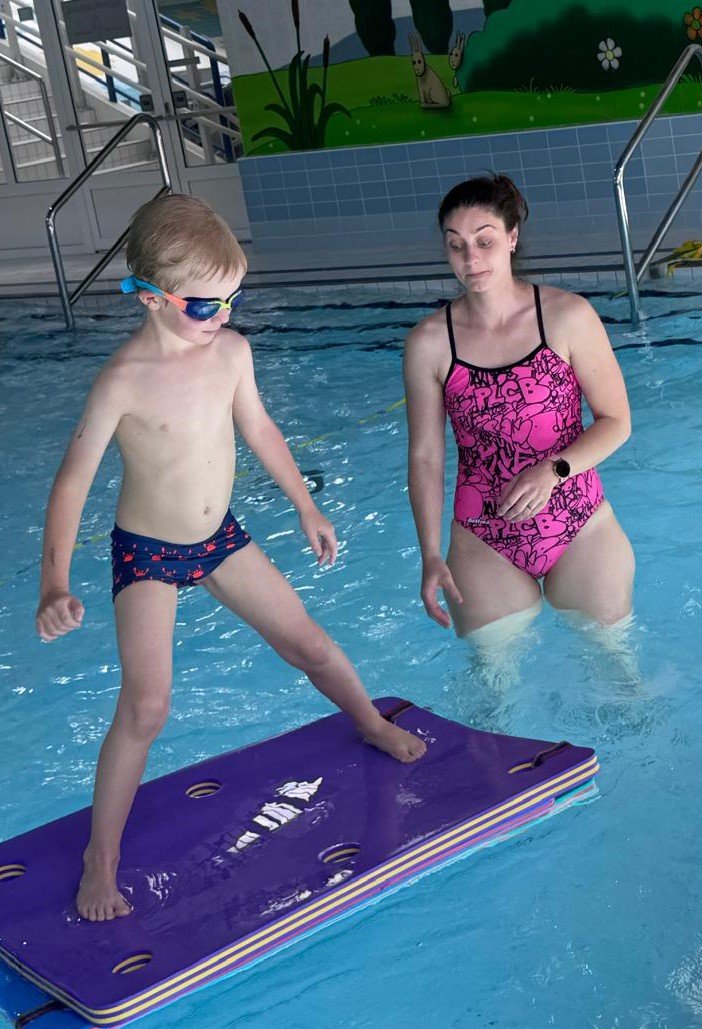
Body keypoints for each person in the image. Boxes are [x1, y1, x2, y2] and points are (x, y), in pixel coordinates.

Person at [35, 193, 425, 923]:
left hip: (220, 539)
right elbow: (71, 484)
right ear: (151, 299)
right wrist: (54, 582)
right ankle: (101, 857)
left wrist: (304, 505)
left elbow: (260, 428)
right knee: (147, 706)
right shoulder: (123, 380)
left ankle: (369, 721)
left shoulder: (231, 353)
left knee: (308, 642)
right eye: (204, 305)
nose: (221, 316)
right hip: (148, 553)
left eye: (231, 300)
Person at [403, 174, 635, 652]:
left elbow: (616, 421)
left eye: (484, 241)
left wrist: (554, 470)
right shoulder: (429, 343)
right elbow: (426, 457)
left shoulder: (567, 316)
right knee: (493, 680)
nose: (471, 258)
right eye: (456, 245)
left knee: (617, 669)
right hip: (482, 539)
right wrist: (429, 554)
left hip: (579, 522)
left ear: (512, 238)